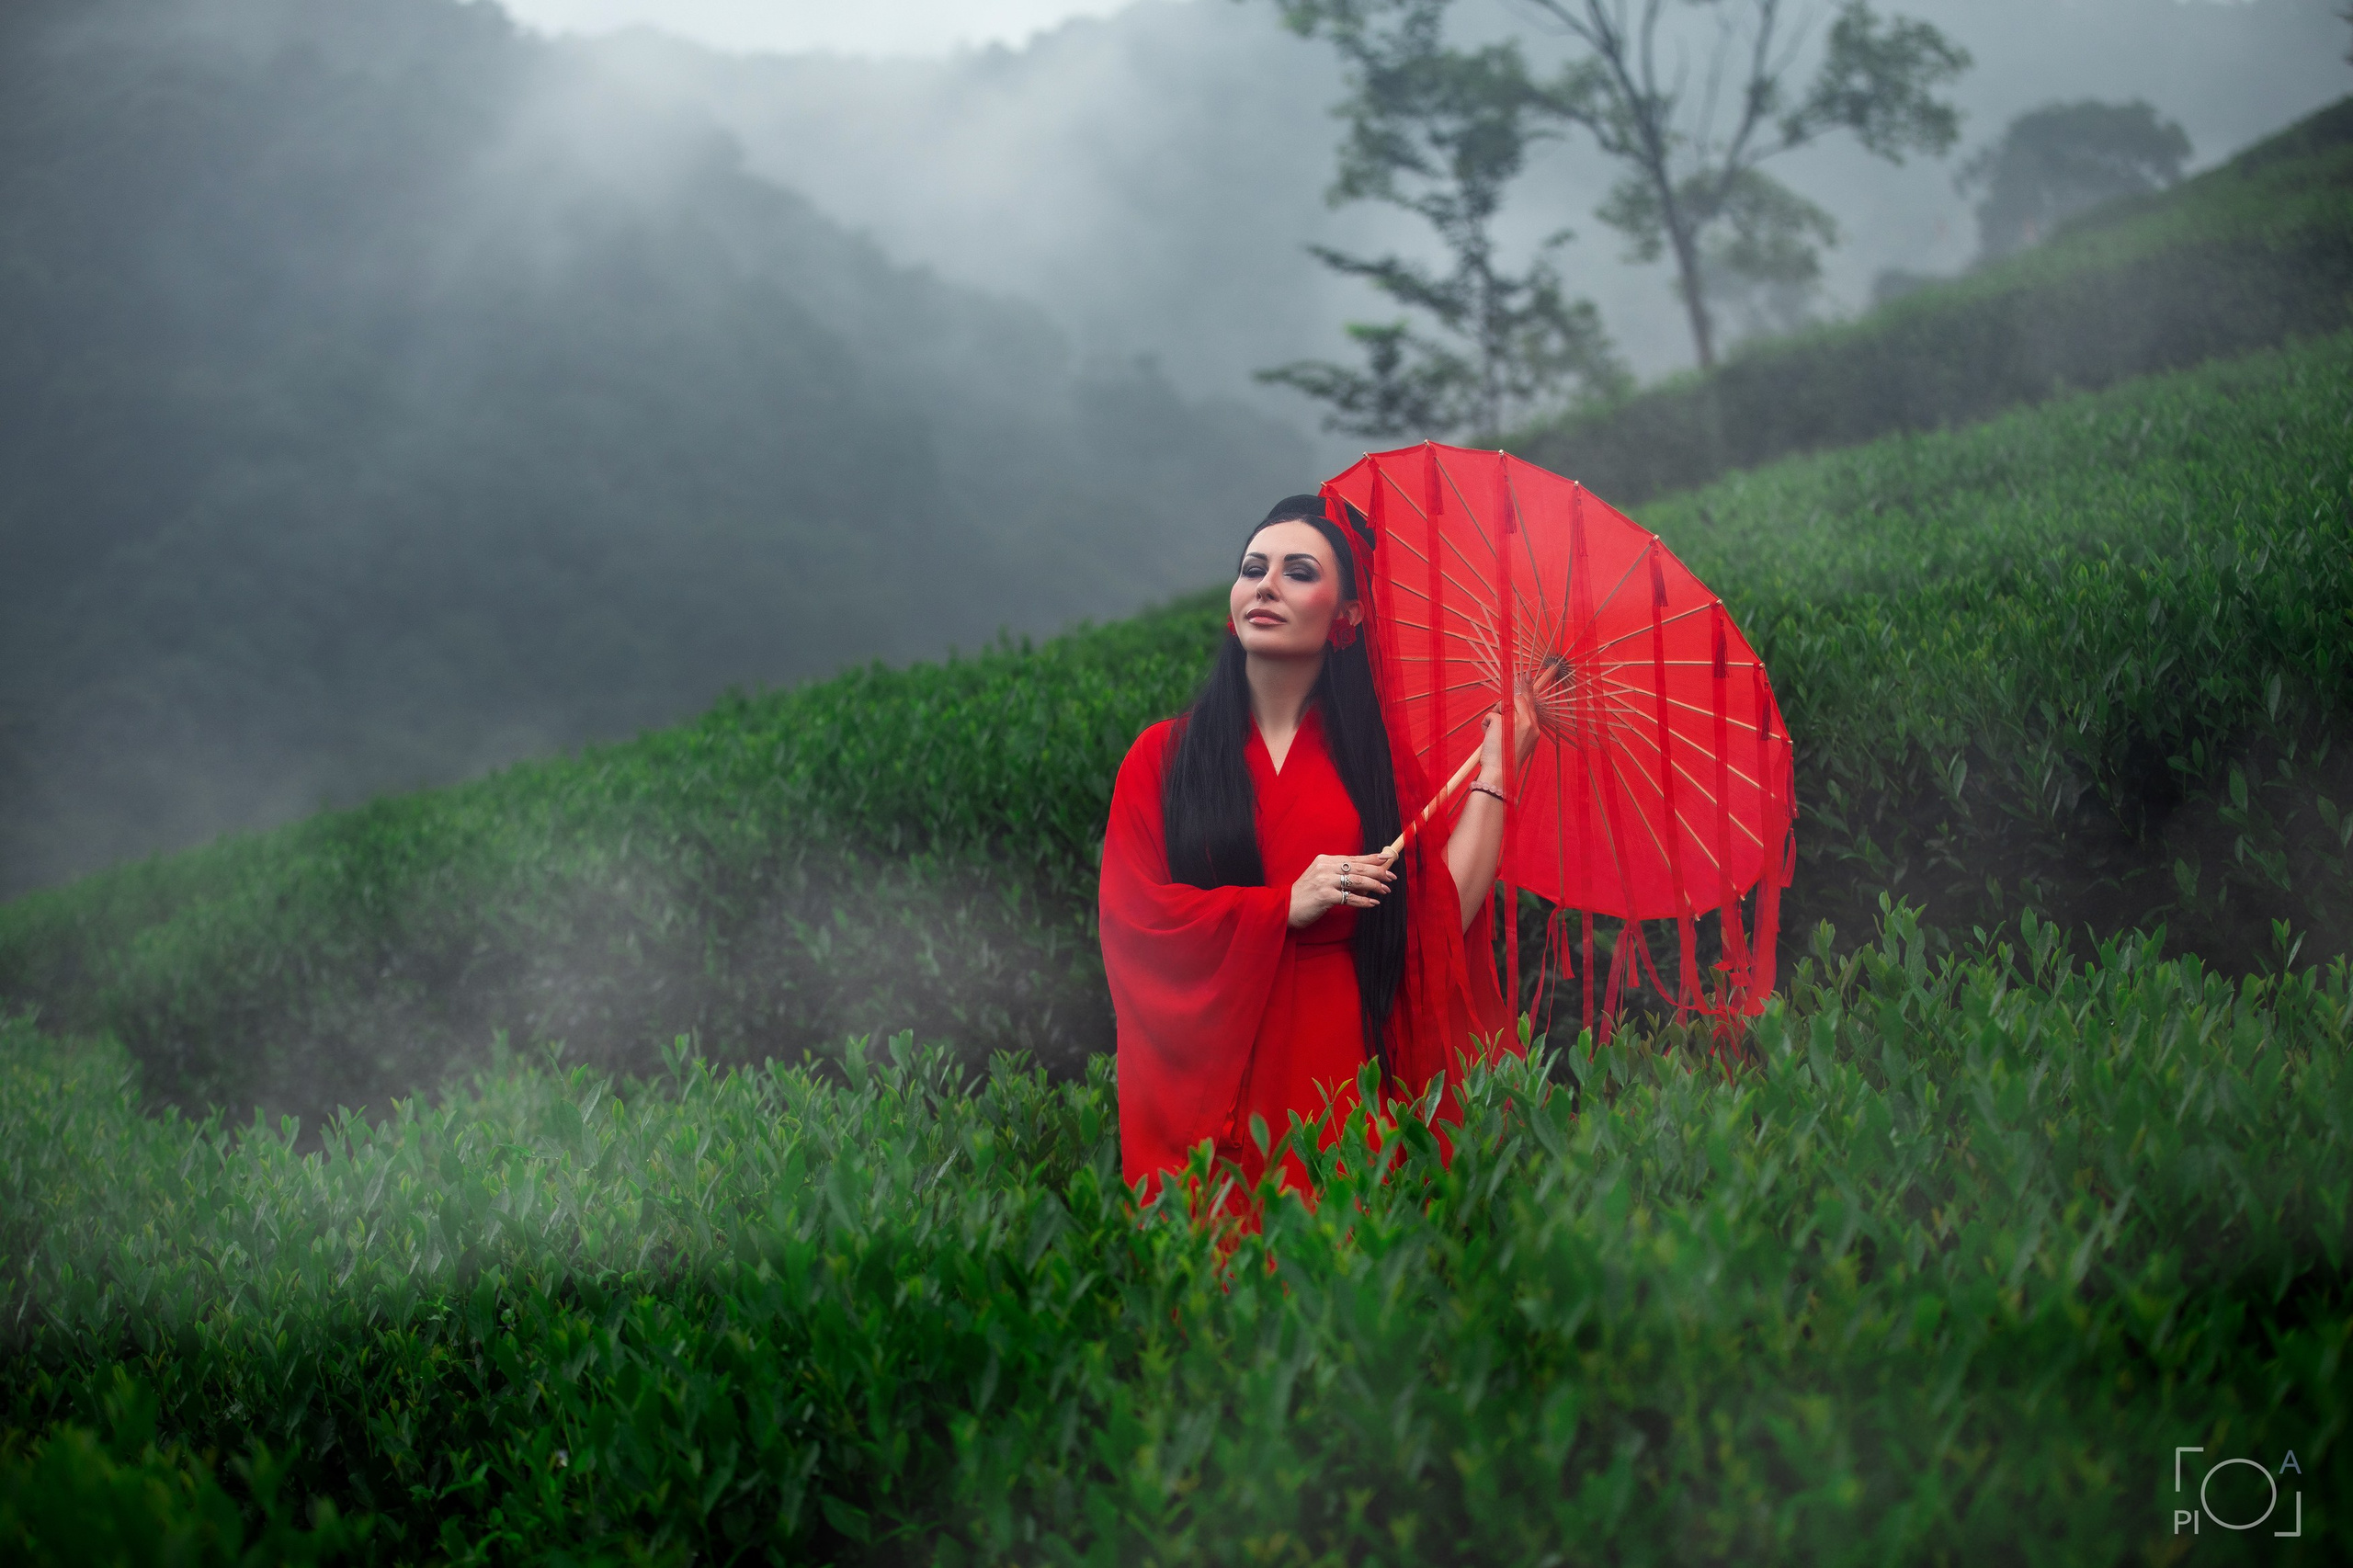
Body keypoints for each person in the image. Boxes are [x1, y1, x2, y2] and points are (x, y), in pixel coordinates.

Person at [1098, 494, 1534, 1201]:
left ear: (1348, 617)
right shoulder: (1162, 757)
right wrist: (1279, 907)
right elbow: (1132, 923)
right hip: (1215, 1069)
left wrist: (1497, 769)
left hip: (1340, 1058)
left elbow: (1433, 926)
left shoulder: (1376, 766)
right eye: (1251, 568)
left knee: (1336, 1265)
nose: (1265, 585)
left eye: (1298, 571)